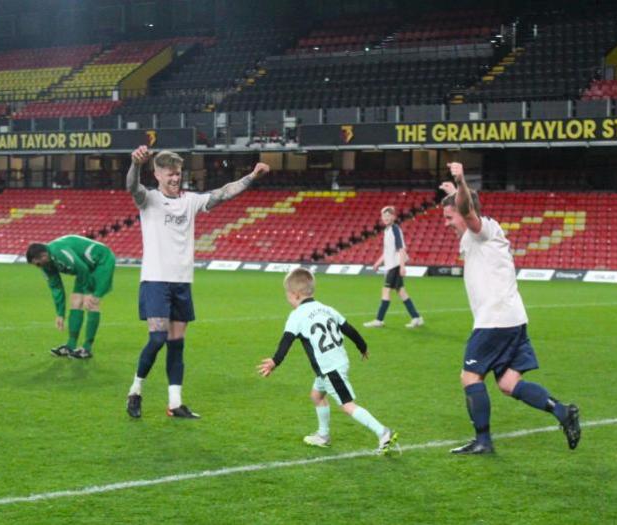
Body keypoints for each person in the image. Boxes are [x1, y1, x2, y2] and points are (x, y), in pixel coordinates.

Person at [442, 162, 580, 454]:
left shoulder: (483, 229)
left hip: (495, 321)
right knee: (508, 383)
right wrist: (454, 191)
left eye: (448, 217)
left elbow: (468, 209)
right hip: (512, 319)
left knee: (469, 377)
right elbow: (466, 206)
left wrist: (461, 181)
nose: (446, 222)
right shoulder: (475, 235)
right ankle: (563, 412)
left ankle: (483, 441)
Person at [125, 147, 270, 419]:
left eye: (177, 173)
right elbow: (132, 186)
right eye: (169, 174)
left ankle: (175, 402)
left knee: (177, 343)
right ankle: (135, 390)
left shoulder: (190, 200)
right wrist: (135, 164)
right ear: (156, 174)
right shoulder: (149, 199)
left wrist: (251, 176)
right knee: (157, 339)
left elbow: (223, 193)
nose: (174, 178)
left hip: (182, 282)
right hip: (156, 280)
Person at [258, 268, 398, 454]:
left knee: (347, 405)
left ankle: (382, 432)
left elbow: (286, 341)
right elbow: (349, 329)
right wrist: (362, 346)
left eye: (287, 295)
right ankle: (323, 435)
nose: (287, 298)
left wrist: (275, 362)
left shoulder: (297, 315)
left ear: (295, 294)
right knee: (316, 396)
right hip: (335, 362)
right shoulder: (327, 308)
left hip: (329, 368)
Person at [25, 235, 116, 359]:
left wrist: (89, 293)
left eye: (38, 264)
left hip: (101, 261)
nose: (38, 267)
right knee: (75, 301)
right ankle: (71, 345)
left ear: (44, 256)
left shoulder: (59, 252)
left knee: (91, 303)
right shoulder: (46, 264)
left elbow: (82, 269)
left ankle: (87, 348)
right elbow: (56, 288)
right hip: (85, 268)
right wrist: (60, 314)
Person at [363, 205, 424, 329]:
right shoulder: (387, 230)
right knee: (401, 292)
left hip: (395, 266)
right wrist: (378, 262)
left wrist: (402, 266)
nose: (386, 218)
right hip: (392, 266)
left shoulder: (395, 229)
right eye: (384, 216)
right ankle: (416, 317)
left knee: (386, 291)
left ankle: (379, 320)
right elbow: (387, 252)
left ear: (393, 217)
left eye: (388, 215)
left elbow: (401, 248)